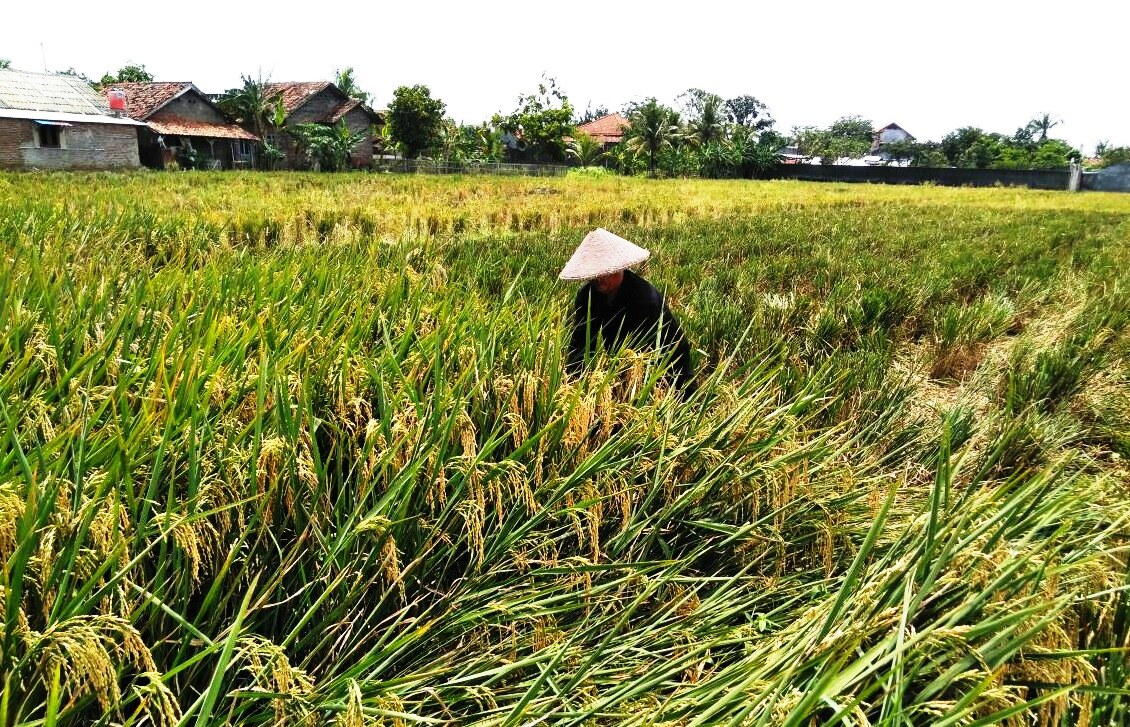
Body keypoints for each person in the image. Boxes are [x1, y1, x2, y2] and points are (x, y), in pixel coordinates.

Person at [561, 228, 695, 393]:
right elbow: (581, 344)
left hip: (666, 363)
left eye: (604, 271)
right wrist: (572, 385)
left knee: (677, 399)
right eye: (594, 272)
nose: (598, 278)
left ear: (619, 268)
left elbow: (643, 357)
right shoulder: (587, 296)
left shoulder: (645, 299)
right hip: (622, 361)